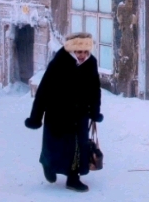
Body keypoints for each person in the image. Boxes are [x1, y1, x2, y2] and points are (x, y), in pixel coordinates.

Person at [25, 32, 103, 193]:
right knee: (55, 145)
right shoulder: (60, 61)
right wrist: (36, 117)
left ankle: (73, 179)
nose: (82, 56)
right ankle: (48, 164)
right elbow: (44, 89)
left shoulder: (91, 63)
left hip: (80, 114)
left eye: (85, 52)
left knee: (78, 146)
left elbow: (95, 89)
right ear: (72, 50)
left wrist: (95, 112)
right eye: (79, 52)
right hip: (57, 112)